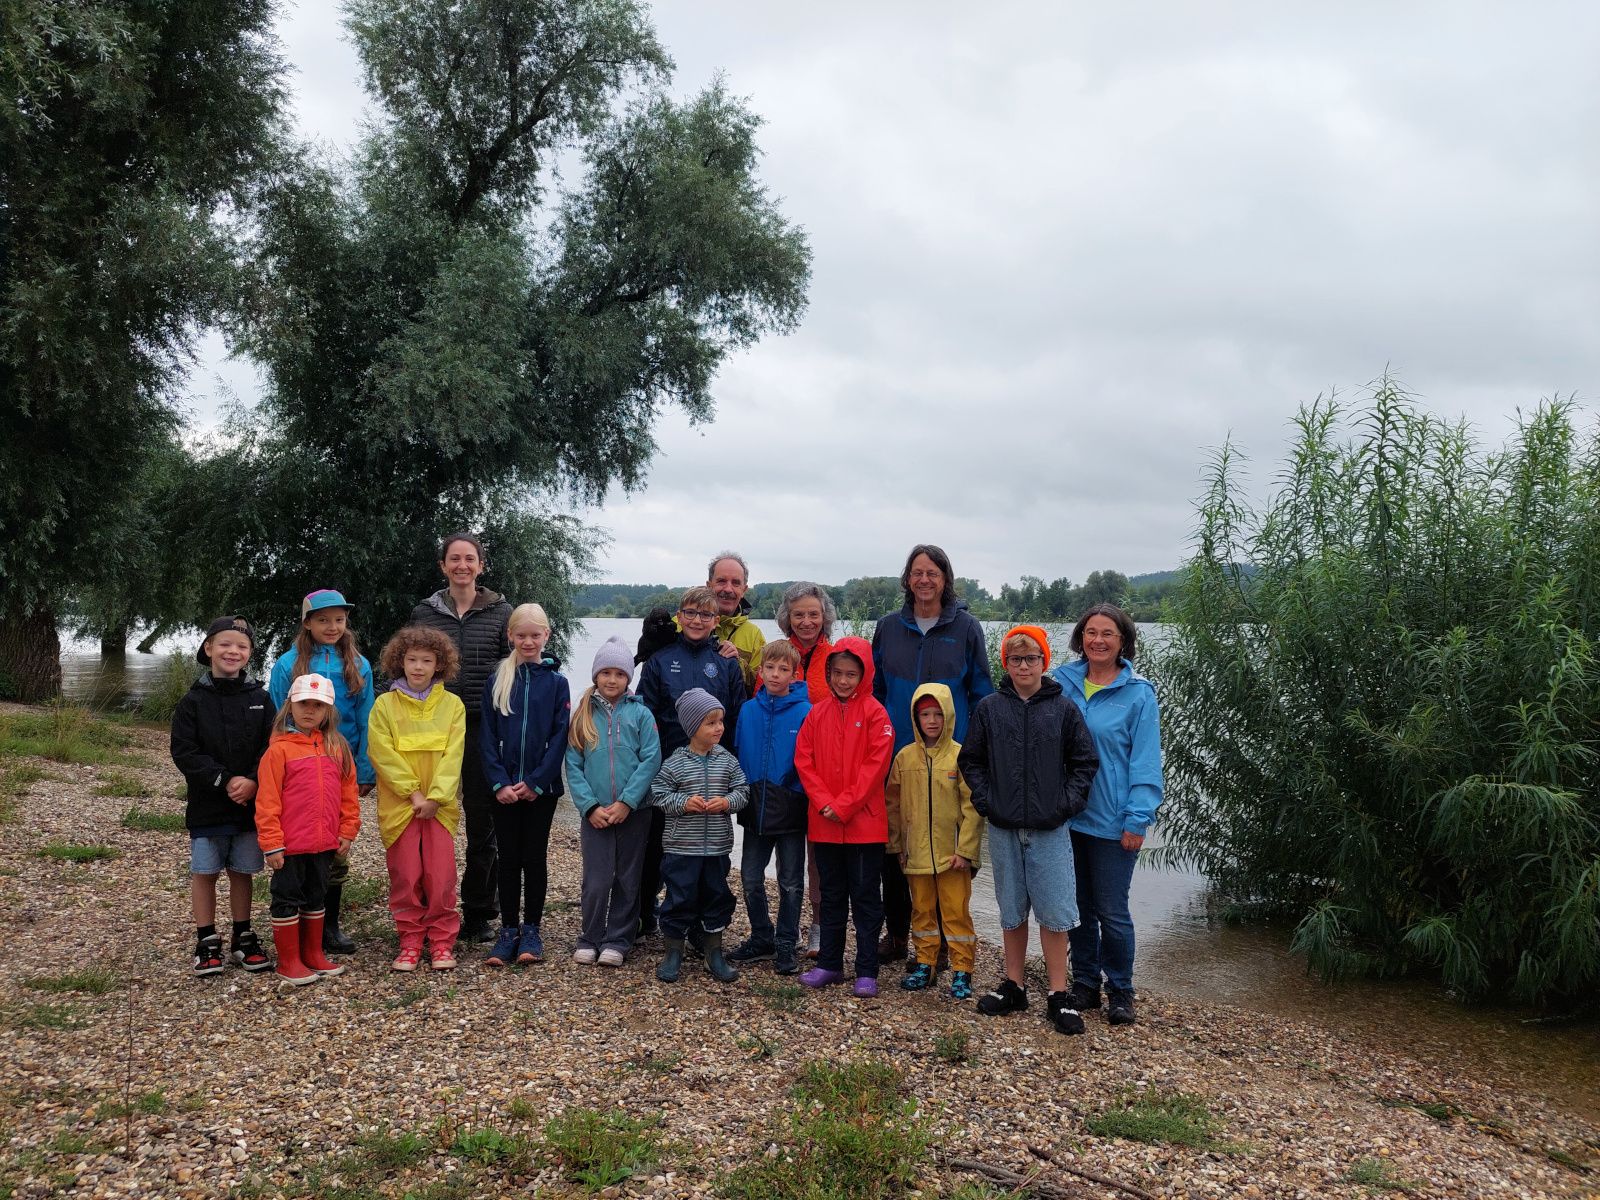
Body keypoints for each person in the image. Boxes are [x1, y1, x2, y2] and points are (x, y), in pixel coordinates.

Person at [958, 626, 1099, 1035]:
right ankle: (1013, 984)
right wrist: (988, 802)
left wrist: (1063, 806)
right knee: (1012, 908)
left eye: (1032, 658)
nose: (1024, 665)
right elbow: (972, 761)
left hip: (1049, 829)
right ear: (1006, 663)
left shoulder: (1063, 709)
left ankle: (1059, 994)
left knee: (1055, 914)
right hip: (1003, 828)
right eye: (1016, 659)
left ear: (1044, 662)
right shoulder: (989, 708)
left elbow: (1084, 763)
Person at [872, 544, 994, 963]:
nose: (924, 580)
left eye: (933, 573)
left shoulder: (966, 628)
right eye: (917, 573)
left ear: (945, 579)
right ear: (907, 579)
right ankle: (900, 936)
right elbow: (877, 692)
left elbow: (982, 694)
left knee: (948, 846)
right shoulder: (888, 628)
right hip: (898, 754)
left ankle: (944, 941)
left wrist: (975, 753)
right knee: (899, 846)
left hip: (950, 758)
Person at [1054, 603, 1163, 1027]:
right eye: (1091, 632)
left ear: (1123, 641)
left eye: (1108, 634)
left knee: (1112, 910)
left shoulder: (1138, 694)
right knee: (1077, 907)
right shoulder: (1061, 682)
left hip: (1113, 821)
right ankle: (1085, 982)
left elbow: (1146, 763)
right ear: (1081, 636)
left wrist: (1138, 819)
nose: (1098, 640)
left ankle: (1121, 988)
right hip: (1066, 819)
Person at [409, 533, 513, 943]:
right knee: (428, 814)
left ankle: (478, 910)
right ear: (443, 566)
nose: (462, 565)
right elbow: (408, 662)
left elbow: (518, 661)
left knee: (482, 820)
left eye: (470, 558)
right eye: (454, 559)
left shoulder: (502, 611)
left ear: (481, 565)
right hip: (432, 726)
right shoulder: (425, 612)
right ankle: (425, 907)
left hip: (483, 725)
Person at [267, 589, 376, 956]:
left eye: (339, 620)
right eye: (323, 620)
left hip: (338, 765)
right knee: (298, 844)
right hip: (298, 767)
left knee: (334, 848)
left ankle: (329, 925)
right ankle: (292, 920)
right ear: (308, 623)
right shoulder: (287, 664)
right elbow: (277, 718)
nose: (332, 627)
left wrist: (364, 768)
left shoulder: (358, 665)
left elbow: (367, 717)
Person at [637, 585, 746, 934]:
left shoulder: (727, 665)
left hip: (713, 771)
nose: (697, 620)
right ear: (679, 617)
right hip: (669, 769)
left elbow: (736, 717)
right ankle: (647, 916)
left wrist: (733, 773)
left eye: (705, 615)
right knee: (659, 846)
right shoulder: (658, 661)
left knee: (708, 850)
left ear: (717, 621)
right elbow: (645, 718)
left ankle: (703, 925)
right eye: (690, 613)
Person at [170, 616, 275, 977]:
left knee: (242, 870)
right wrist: (224, 779)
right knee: (205, 871)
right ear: (208, 649)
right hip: (208, 803)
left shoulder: (262, 699)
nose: (233, 651)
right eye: (225, 644)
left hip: (249, 803)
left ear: (249, 654)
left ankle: (243, 935)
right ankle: (206, 939)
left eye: (241, 646)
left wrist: (253, 781)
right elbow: (184, 752)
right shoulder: (192, 702)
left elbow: (271, 747)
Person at [795, 636, 895, 998]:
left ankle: (866, 969)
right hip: (824, 823)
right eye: (837, 673)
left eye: (851, 674)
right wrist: (824, 801)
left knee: (867, 898)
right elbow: (804, 760)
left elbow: (875, 767)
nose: (842, 680)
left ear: (864, 674)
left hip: (864, 826)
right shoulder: (817, 712)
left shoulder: (876, 713)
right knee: (832, 895)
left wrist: (844, 805)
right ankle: (829, 964)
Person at [367, 626, 466, 973]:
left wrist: (436, 797)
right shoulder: (384, 705)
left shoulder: (453, 705)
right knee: (406, 875)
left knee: (441, 877)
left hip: (439, 808)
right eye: (412, 660)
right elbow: (382, 753)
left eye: (427, 660)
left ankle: (441, 942)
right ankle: (409, 941)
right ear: (400, 661)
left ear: (439, 664)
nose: (419, 667)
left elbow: (454, 755)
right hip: (401, 805)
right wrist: (414, 793)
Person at [255, 674, 362, 987]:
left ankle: (312, 953)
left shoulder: (337, 748)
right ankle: (289, 960)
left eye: (318, 705)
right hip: (290, 845)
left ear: (328, 710)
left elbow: (349, 792)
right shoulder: (278, 751)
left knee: (317, 895)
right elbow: (267, 801)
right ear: (290, 705)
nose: (309, 710)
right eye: (303, 703)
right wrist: (271, 843)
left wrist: (347, 829)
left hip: (324, 843)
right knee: (287, 896)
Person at [479, 603, 570, 967]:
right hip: (503, 790)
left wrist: (535, 781)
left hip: (540, 791)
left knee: (534, 858)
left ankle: (532, 929)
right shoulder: (497, 679)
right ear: (510, 637)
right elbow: (486, 736)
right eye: (522, 635)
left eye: (536, 635)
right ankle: (508, 930)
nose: (529, 641)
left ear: (547, 636)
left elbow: (559, 737)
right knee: (507, 859)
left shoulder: (557, 683)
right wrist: (500, 781)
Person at [566, 636, 663, 966]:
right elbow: (573, 765)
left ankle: (618, 939)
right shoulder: (582, 715)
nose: (612, 679)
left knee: (627, 877)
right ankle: (590, 936)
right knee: (596, 879)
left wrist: (627, 802)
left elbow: (651, 760)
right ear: (596, 676)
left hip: (634, 812)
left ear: (628, 678)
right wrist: (589, 806)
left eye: (619, 674)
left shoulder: (641, 714)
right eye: (605, 672)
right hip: (594, 812)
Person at [886, 684, 983, 1000]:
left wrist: (966, 849)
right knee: (922, 912)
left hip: (952, 856)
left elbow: (972, 806)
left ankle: (962, 971)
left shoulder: (960, 756)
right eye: (925, 714)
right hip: (916, 856)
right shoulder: (904, 757)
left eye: (937, 714)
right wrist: (897, 846)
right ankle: (925, 965)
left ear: (948, 716)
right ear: (915, 717)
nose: (931, 720)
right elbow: (893, 805)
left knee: (956, 913)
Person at [650, 689, 748, 984]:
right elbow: (658, 794)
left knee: (717, 896)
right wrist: (683, 803)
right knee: (679, 897)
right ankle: (673, 952)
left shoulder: (727, 761)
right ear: (693, 728)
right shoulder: (675, 762)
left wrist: (727, 802)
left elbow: (743, 791)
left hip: (717, 848)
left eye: (720, 721)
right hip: (681, 848)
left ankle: (713, 953)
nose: (719, 727)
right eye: (711, 723)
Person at [728, 639, 811, 975]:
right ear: (760, 671)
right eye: (770, 668)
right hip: (754, 805)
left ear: (794, 673)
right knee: (750, 877)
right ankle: (762, 935)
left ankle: (786, 942)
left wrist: (796, 789)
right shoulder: (748, 710)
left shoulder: (807, 711)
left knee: (791, 881)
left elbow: (811, 761)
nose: (776, 674)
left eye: (783, 669)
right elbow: (736, 753)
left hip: (790, 806)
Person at [773, 581, 837, 958]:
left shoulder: (837, 656)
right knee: (787, 856)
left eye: (813, 614)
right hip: (785, 774)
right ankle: (787, 927)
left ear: (824, 616)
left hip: (825, 771)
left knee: (820, 858)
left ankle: (818, 926)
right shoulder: (779, 655)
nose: (807, 621)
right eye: (799, 614)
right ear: (788, 618)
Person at [705, 551, 766, 693]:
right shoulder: (682, 623)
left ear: (744, 590)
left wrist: (737, 662)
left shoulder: (754, 635)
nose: (728, 589)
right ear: (709, 585)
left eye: (736, 583)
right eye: (721, 581)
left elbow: (762, 690)